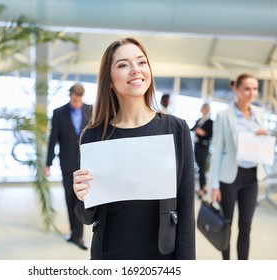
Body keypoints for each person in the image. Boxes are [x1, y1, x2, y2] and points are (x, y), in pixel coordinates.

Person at [72, 37, 195, 260]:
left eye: (141, 62)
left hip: (162, 254)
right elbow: (86, 216)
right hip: (110, 253)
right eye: (123, 65)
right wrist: (83, 196)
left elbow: (186, 209)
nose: (135, 70)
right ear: (109, 80)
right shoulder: (94, 136)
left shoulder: (176, 129)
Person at [209, 73, 268, 260]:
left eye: (255, 89)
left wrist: (263, 138)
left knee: (246, 228)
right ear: (237, 89)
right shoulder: (224, 116)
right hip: (229, 177)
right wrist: (214, 185)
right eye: (247, 89)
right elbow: (217, 150)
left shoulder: (259, 114)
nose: (252, 93)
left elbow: (259, 145)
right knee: (226, 224)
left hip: (251, 176)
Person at [45, 83, 92, 250]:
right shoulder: (59, 113)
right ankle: (74, 232)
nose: (76, 103)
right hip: (66, 163)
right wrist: (48, 163)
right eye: (74, 100)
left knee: (81, 199)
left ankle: (78, 235)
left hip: (86, 163)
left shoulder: (90, 110)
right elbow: (53, 139)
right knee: (69, 198)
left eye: (79, 100)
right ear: (70, 96)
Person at [190, 103, 213, 199]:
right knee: (199, 167)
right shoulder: (200, 120)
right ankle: (202, 186)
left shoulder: (210, 122)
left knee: (202, 168)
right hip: (197, 145)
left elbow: (210, 135)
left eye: (203, 108)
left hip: (204, 146)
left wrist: (202, 133)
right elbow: (192, 129)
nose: (202, 109)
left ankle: (203, 188)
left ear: (206, 109)